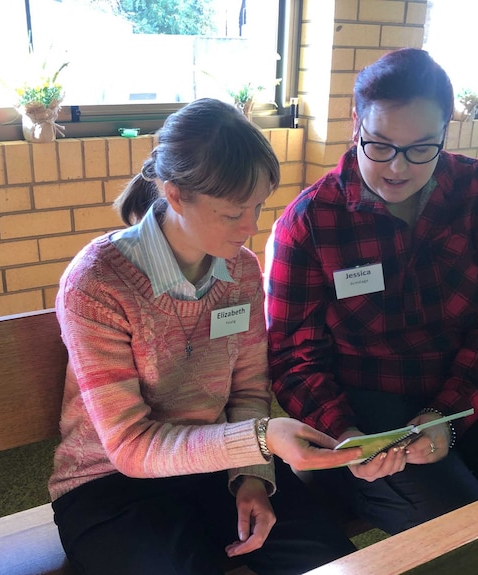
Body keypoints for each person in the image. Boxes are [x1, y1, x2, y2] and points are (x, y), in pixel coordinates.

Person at [49, 98, 359, 575]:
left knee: (333, 561)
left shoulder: (241, 270)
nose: (251, 227)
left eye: (257, 207)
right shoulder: (96, 284)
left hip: (220, 463)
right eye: (233, 212)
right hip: (109, 485)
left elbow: (250, 389)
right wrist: (259, 440)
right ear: (174, 195)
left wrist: (252, 477)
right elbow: (130, 447)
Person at [264, 49, 478, 537]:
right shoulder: (311, 222)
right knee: (467, 534)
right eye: (379, 145)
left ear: (447, 131)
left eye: (422, 148)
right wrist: (345, 434)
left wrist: (445, 417)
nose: (397, 168)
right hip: (365, 404)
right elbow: (293, 356)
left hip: (466, 386)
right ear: (355, 123)